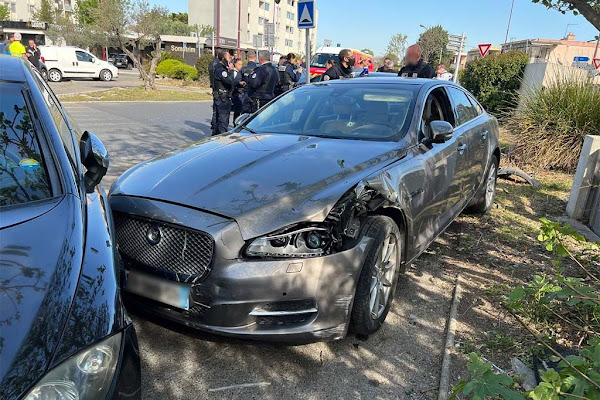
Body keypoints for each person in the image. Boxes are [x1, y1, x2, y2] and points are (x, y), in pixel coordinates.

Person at [211, 49, 235, 136]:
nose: (231, 59)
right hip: (222, 99)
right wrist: (231, 71)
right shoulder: (221, 70)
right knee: (223, 122)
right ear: (223, 59)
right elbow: (230, 81)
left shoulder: (220, 68)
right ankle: (221, 138)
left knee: (218, 120)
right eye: (229, 57)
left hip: (220, 98)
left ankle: (216, 136)